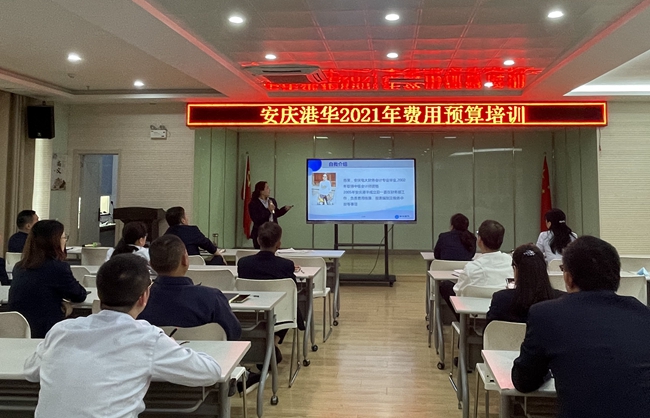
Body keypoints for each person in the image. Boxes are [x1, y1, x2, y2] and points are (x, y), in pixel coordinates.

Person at [24, 254, 222, 418]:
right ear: (144, 297)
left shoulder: (62, 330)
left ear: (99, 293)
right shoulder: (147, 338)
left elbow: (31, 371)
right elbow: (210, 372)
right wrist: (172, 346)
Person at [512, 236, 650, 418]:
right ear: (616, 277)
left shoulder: (546, 314)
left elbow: (524, 381)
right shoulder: (643, 314)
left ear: (568, 278)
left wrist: (549, 370)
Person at [138, 234, 241, 341]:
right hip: (204, 350)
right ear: (185, 260)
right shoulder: (212, 298)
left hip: (155, 351)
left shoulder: (139, 301)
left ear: (151, 264)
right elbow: (234, 332)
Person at [8, 220, 87, 338]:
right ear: (54, 241)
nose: (65, 241)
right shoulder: (58, 268)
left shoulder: (19, 267)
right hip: (46, 332)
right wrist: (63, 305)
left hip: (17, 331)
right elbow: (79, 295)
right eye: (64, 237)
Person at [238, 222, 305, 358]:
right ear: (278, 244)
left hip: (251, 310)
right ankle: (273, 342)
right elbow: (292, 287)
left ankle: (262, 346)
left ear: (258, 240)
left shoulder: (243, 263)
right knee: (289, 307)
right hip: (280, 314)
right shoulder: (286, 265)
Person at [439, 220, 512, 316]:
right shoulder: (511, 262)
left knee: (446, 286)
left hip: (471, 315)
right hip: (501, 313)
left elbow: (458, 291)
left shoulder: (473, 267)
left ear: (480, 240)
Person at [487, 244, 563, 324]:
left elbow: (489, 329)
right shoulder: (561, 301)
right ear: (544, 269)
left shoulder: (500, 300)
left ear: (515, 269)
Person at [249, 181, 293, 249]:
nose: (269, 189)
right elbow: (256, 219)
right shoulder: (254, 203)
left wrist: (284, 209)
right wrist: (268, 210)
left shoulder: (272, 201)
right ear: (261, 191)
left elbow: (275, 213)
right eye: (267, 188)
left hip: (273, 231)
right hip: (260, 232)